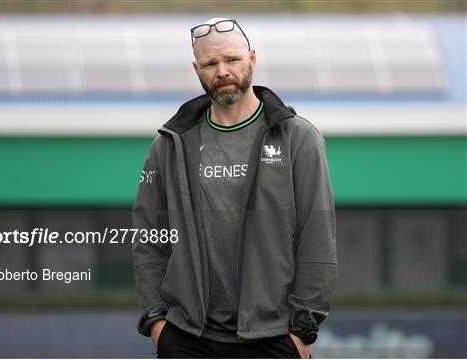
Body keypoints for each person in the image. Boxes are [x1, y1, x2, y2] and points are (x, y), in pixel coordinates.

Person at [132, 17, 337, 358]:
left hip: (274, 336)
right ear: (197, 69)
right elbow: (148, 236)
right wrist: (156, 321)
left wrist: (303, 329)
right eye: (211, 63)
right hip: (187, 337)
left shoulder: (298, 138)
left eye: (232, 60)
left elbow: (317, 236)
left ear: (252, 59)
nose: (222, 71)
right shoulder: (169, 145)